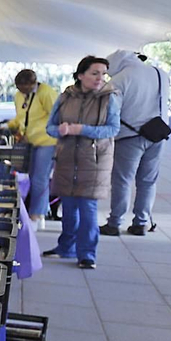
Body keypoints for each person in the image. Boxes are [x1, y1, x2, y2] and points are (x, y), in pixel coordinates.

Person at [45, 56, 119, 269]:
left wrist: (82, 130)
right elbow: (50, 127)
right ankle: (66, 247)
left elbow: (113, 129)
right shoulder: (65, 97)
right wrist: (60, 130)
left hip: (94, 161)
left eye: (103, 74)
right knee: (68, 208)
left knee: (87, 208)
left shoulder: (109, 98)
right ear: (80, 75)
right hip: (67, 158)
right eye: (94, 73)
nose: (99, 78)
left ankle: (87, 254)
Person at [102, 49, 171, 236]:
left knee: (122, 181)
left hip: (129, 136)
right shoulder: (160, 73)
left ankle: (114, 223)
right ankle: (141, 222)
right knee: (148, 181)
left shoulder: (119, 80)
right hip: (158, 135)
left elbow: (111, 110)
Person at [5, 69, 59, 229]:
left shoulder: (46, 93)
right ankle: (37, 211)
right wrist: (11, 126)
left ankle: (36, 215)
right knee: (30, 177)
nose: (23, 91)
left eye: (26, 88)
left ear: (34, 83)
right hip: (29, 141)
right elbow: (21, 116)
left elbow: (57, 117)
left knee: (40, 178)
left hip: (47, 141)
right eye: (20, 89)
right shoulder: (19, 96)